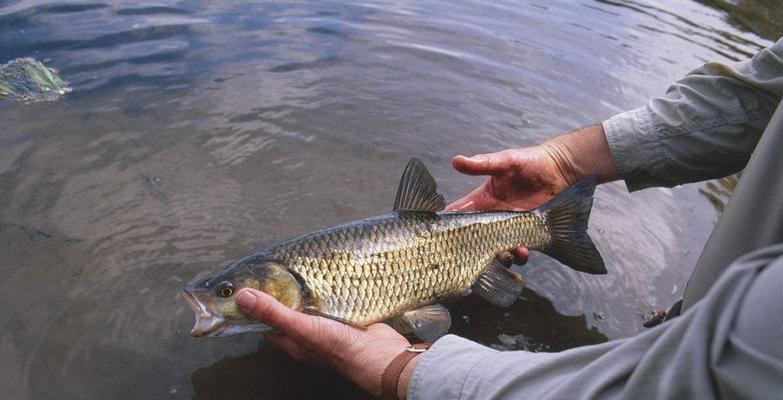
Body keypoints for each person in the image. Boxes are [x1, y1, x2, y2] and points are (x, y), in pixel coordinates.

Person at [233, 37, 783, 399]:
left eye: (229, 291)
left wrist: (401, 371)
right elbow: (759, 93)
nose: (228, 299)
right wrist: (567, 160)